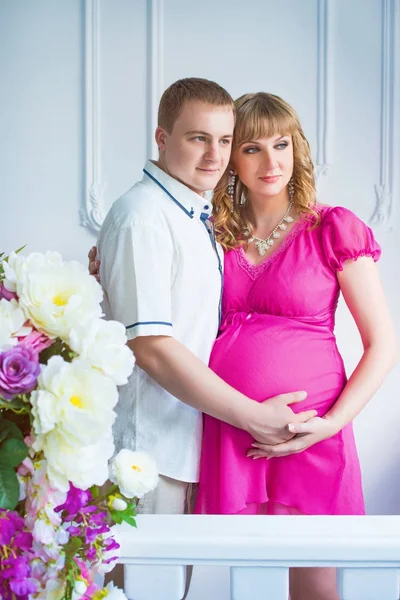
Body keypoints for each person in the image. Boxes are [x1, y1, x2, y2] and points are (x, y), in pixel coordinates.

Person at [92, 79, 316, 595]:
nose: (214, 155)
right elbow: (150, 345)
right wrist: (254, 416)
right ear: (161, 137)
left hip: (184, 447)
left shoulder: (195, 216)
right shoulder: (144, 216)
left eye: (224, 140)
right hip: (145, 451)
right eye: (198, 138)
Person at [193, 92, 398, 600]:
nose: (271, 162)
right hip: (233, 426)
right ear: (232, 159)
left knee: (316, 587)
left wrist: (331, 424)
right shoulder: (211, 233)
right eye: (253, 148)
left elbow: (383, 344)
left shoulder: (332, 227)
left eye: (281, 144)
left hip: (315, 429)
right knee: (247, 582)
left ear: (297, 147)